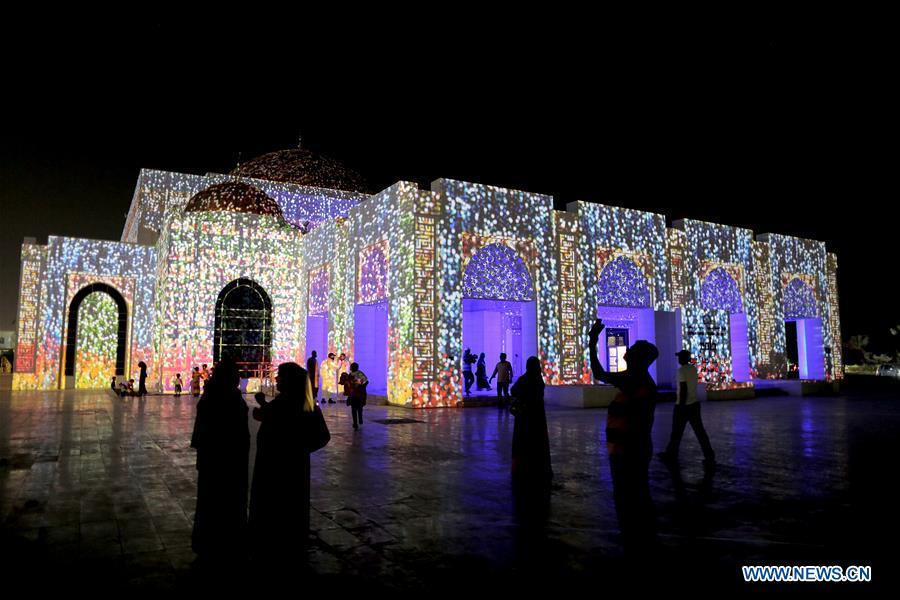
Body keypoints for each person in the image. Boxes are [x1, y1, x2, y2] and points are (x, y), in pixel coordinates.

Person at [588, 317, 658, 548]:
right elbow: (599, 373)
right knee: (630, 494)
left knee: (632, 496)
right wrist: (592, 341)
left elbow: (638, 422)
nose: (627, 350)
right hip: (623, 449)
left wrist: (592, 341)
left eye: (634, 349)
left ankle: (639, 544)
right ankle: (638, 540)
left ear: (640, 359)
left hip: (630, 450)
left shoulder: (638, 382)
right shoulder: (632, 379)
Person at [248, 362, 316, 561]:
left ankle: (276, 541)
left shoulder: (287, 402)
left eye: (280, 376)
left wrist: (262, 406)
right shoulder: (300, 401)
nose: (276, 379)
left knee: (277, 501)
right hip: (293, 462)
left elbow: (277, 421)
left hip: (277, 464)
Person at [190, 356, 250, 559]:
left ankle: (209, 540)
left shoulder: (211, 396)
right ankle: (224, 541)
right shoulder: (227, 398)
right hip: (227, 459)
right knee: (225, 501)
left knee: (210, 500)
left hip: (212, 458)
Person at [658, 350, 715, 468]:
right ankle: (709, 455)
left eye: (679, 357)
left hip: (683, 405)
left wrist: (681, 406)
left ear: (682, 359)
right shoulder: (693, 369)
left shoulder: (681, 371)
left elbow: (683, 389)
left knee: (676, 432)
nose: (678, 359)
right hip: (694, 404)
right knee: (700, 431)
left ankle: (671, 453)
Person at [510, 356, 553, 487]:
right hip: (537, 417)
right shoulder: (539, 380)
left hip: (524, 417)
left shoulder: (524, 379)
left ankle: (523, 467)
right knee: (538, 442)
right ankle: (538, 467)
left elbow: (513, 391)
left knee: (524, 441)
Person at [348, 362, 368, 430]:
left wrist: (361, 387)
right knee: (355, 408)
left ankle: (359, 420)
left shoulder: (359, 374)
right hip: (354, 394)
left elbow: (366, 382)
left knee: (358, 408)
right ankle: (356, 422)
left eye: (352, 367)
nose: (351, 368)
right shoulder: (351, 374)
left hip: (358, 394)